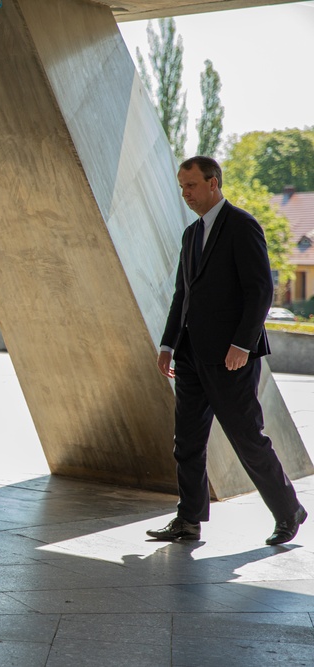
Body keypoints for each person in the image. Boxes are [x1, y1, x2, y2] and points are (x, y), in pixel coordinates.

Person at [148, 156, 305, 546]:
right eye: (182, 186)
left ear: (213, 183)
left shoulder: (242, 225)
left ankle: (288, 511)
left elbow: (260, 291)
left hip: (231, 358)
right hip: (189, 357)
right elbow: (182, 296)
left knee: (247, 438)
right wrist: (168, 344)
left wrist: (241, 344)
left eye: (191, 186)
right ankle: (188, 520)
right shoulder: (190, 235)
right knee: (186, 442)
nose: (185, 193)